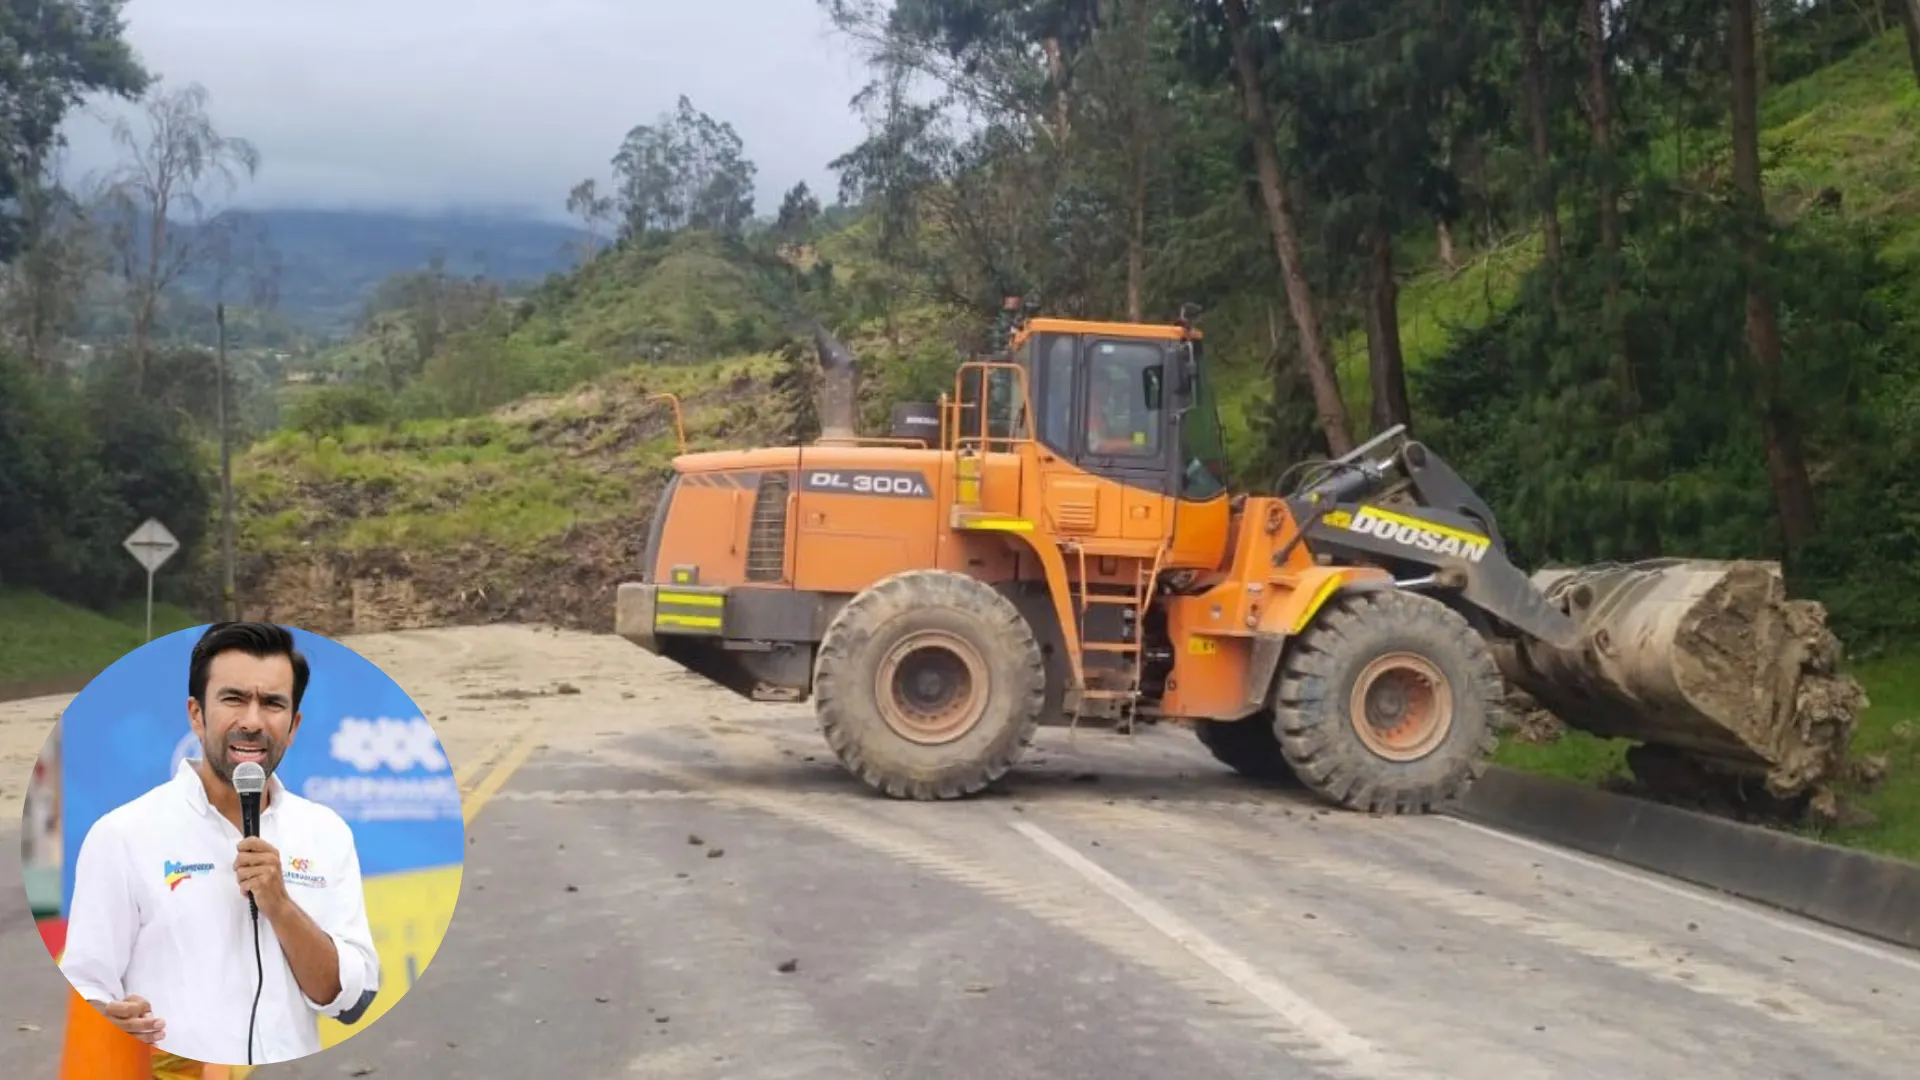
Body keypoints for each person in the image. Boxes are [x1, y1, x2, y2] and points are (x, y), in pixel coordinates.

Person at [58, 622, 380, 1067]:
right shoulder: (123, 834)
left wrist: (280, 905)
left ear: (294, 724)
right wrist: (115, 1018)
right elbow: (87, 987)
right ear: (196, 713)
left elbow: (347, 1000)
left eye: (272, 704)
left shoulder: (326, 831)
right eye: (233, 699)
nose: (252, 721)